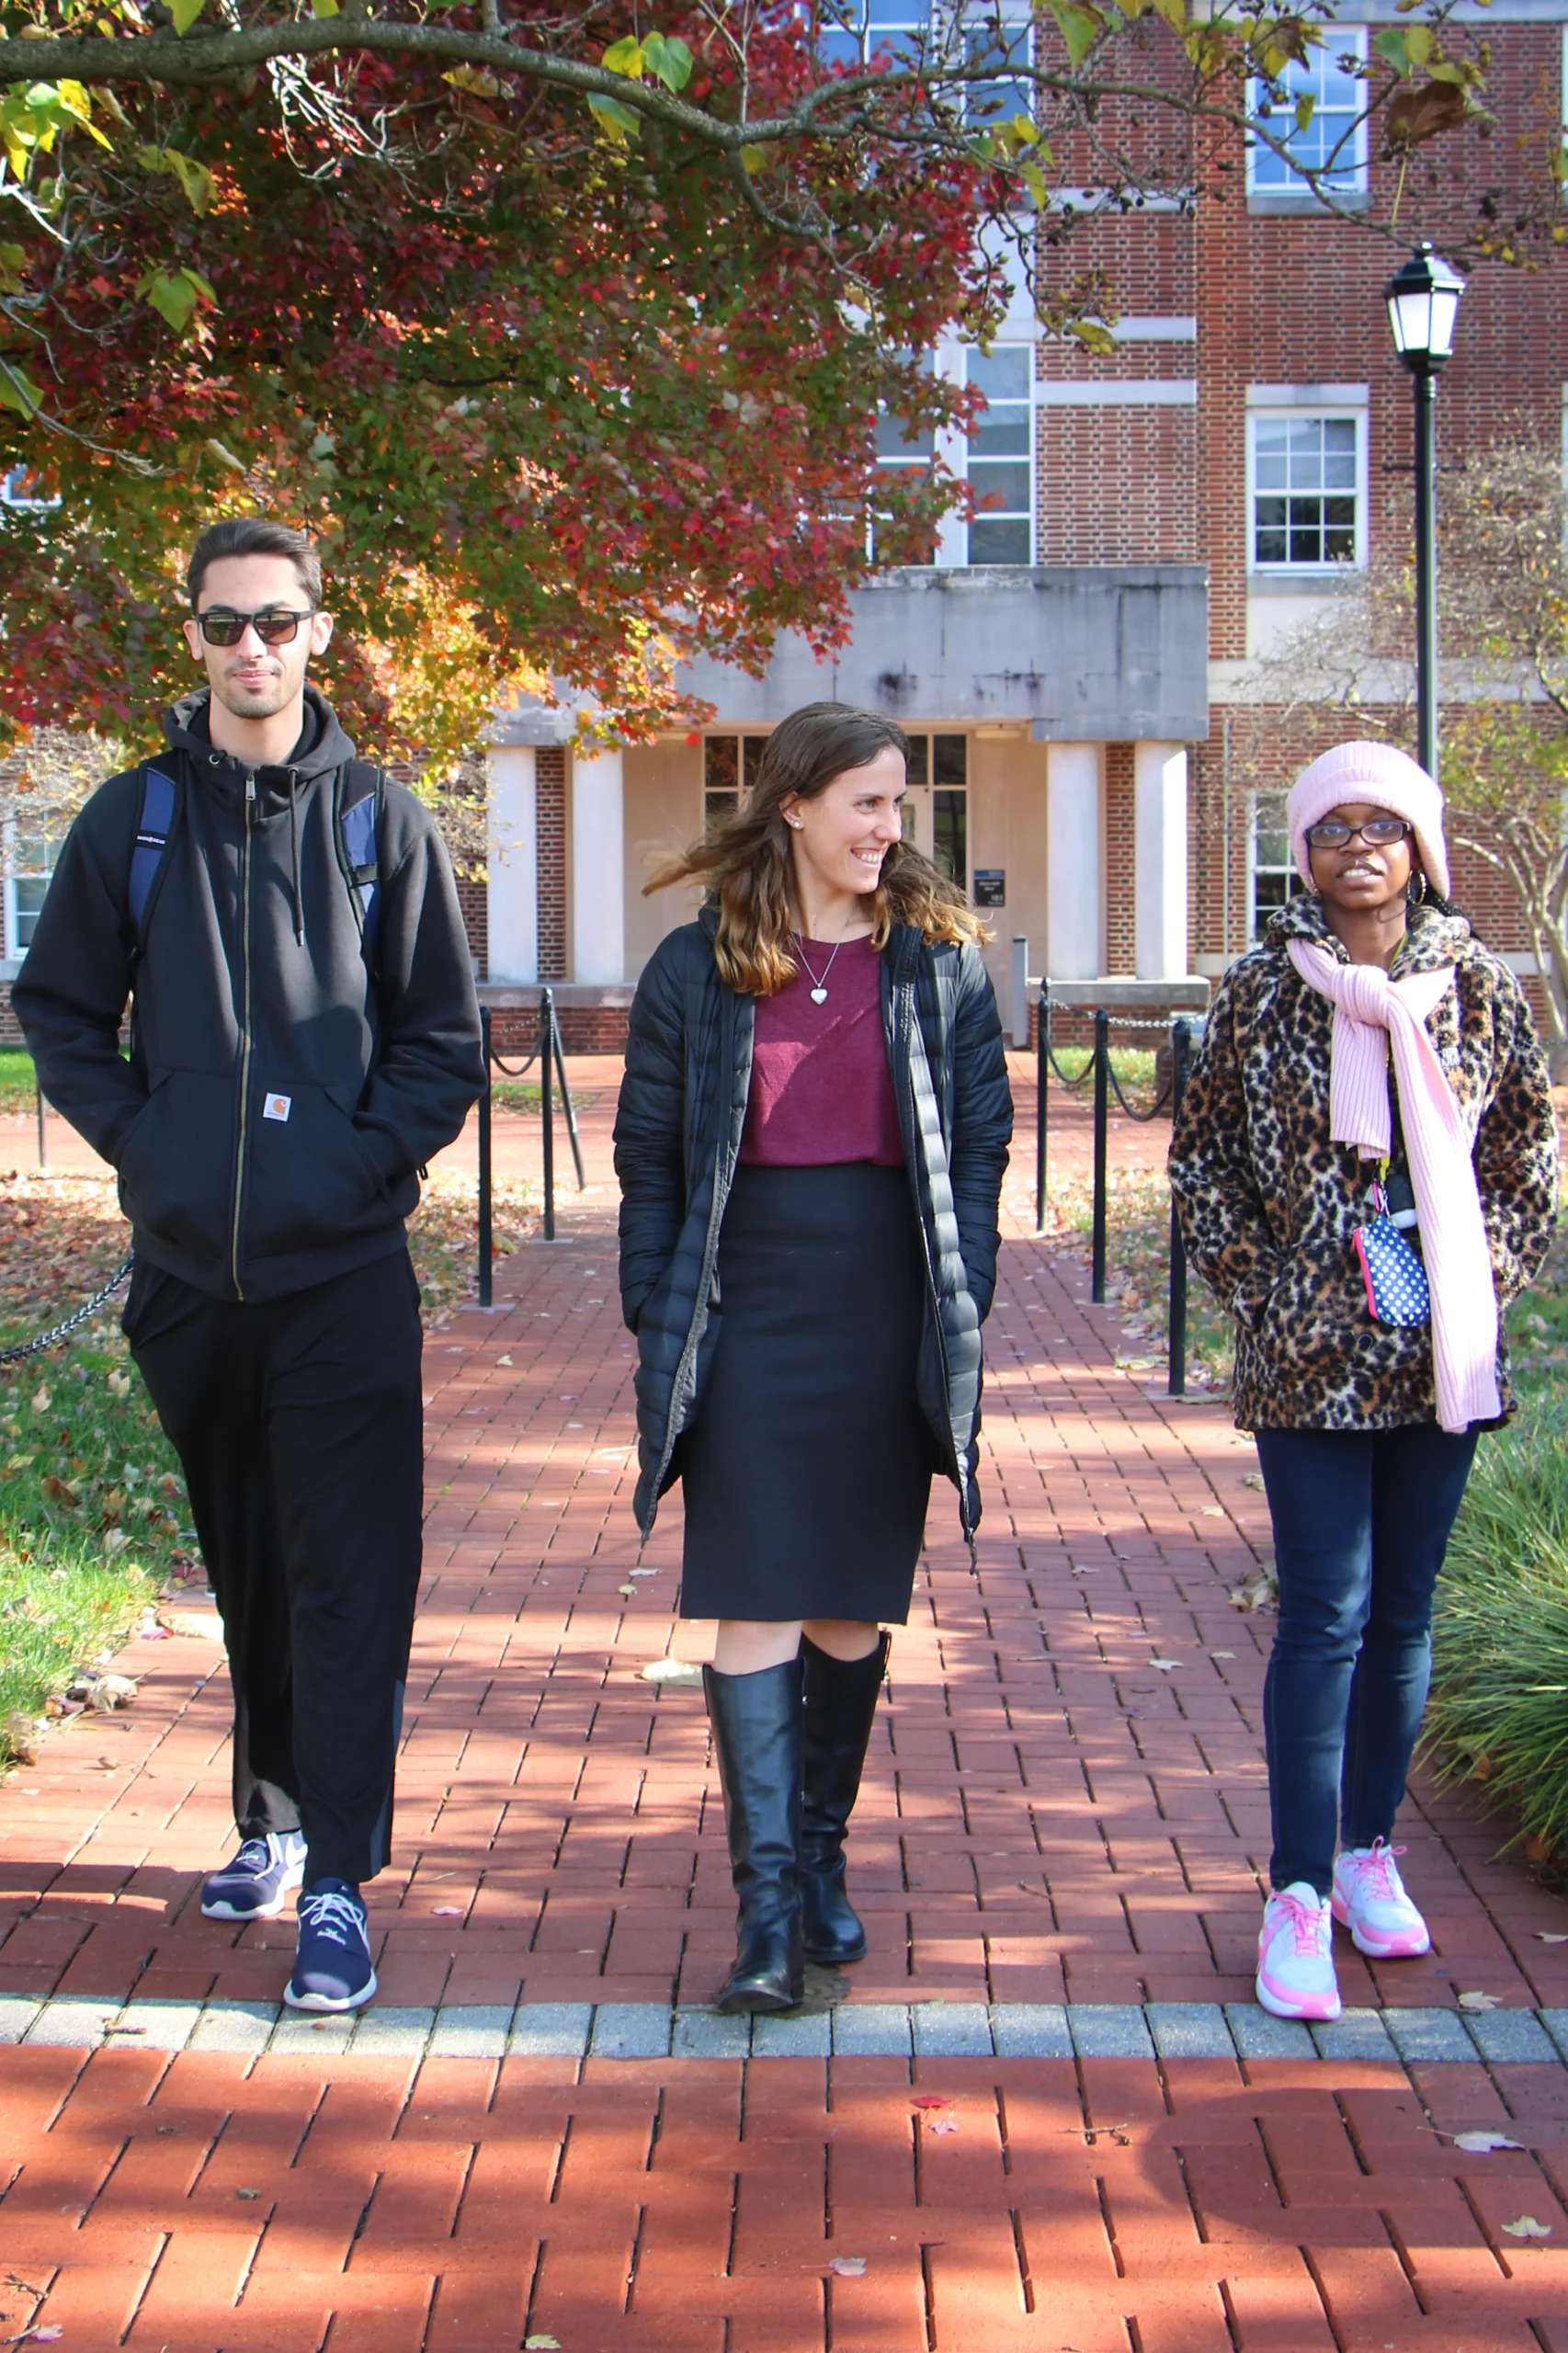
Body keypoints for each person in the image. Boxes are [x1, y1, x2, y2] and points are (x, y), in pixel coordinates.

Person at [13, 517, 485, 2012]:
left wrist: (350, 1169)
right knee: (251, 1565)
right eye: (224, 624)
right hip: (185, 1283)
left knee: (349, 1573)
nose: (251, 648)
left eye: (277, 620)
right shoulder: (133, 821)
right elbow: (63, 1012)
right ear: (195, 635)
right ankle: (270, 1819)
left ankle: (338, 1878)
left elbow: (442, 1046)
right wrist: (150, 1154)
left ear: (320, 633)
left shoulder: (381, 825)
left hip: (340, 1277)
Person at [614, 702, 1012, 2014]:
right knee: (749, 1596)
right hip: (744, 1305)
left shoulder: (939, 963)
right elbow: (650, 1159)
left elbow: (977, 1153)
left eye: (899, 806)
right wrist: (652, 1310)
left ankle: (826, 1859)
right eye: (866, 804)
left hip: (883, 1302)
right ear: (792, 804)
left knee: (848, 1603)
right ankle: (768, 1915)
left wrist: (962, 1306)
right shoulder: (696, 967)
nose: (888, 828)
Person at [1169, 741, 1557, 2024]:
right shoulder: (1258, 993)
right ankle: (1291, 1891)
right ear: (1302, 849)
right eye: (1331, 827)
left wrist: (1478, 1279)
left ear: (1420, 848)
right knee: (1322, 1610)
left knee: (1403, 1611)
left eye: (1380, 826)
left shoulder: (1477, 993)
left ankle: (1367, 1855)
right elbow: (1202, 1160)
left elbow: (1520, 1158)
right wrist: (1272, 1288)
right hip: (1308, 1361)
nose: (1357, 848)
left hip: (1437, 1348)